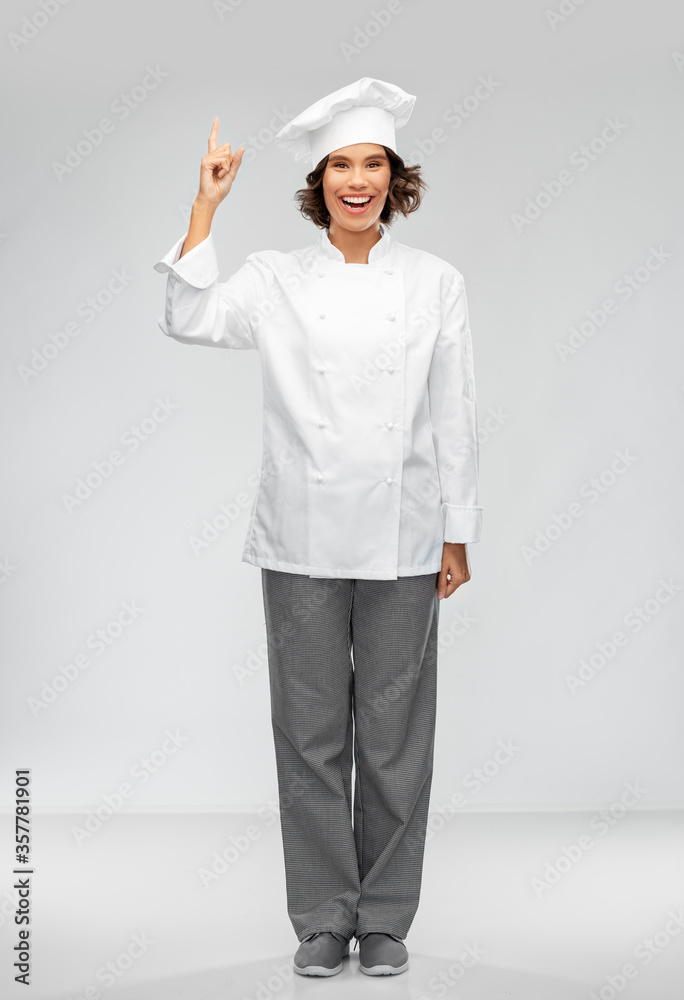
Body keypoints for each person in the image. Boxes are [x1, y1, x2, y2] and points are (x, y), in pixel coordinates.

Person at [153, 77, 483, 978]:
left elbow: (454, 411)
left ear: (395, 178)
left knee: (395, 738)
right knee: (307, 735)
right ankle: (322, 917)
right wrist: (204, 205)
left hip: (406, 536)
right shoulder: (274, 278)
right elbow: (188, 317)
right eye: (342, 164)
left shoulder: (435, 283)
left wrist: (459, 527)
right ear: (318, 180)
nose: (358, 179)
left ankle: (384, 917)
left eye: (374, 163)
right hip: (299, 534)